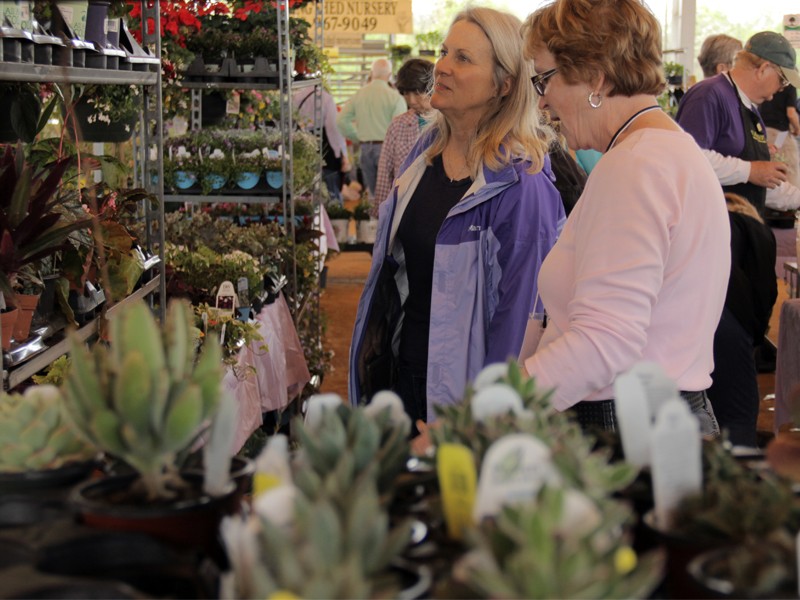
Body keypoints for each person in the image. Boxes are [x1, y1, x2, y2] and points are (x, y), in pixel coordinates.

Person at [520, 0, 730, 436]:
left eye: (544, 80)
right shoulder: (668, 149)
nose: (541, 102)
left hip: (623, 433)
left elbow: (605, 340)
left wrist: (495, 410)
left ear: (594, 76)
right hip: (657, 421)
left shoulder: (634, 165)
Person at [349, 7, 565, 428]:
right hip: (403, 376)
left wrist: (477, 421)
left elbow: (520, 323)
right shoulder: (423, 154)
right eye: (445, 52)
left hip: (464, 405)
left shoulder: (522, 185)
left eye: (463, 58)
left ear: (503, 84)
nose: (441, 67)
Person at [676, 31, 800, 217]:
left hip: (742, 226)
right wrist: (750, 170)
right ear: (763, 69)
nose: (782, 88)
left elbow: (760, 182)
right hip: (710, 226)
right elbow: (690, 159)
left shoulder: (749, 108)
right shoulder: (708, 95)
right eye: (782, 80)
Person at [709, 193, 777, 447]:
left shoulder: (706, 221)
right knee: (738, 414)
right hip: (728, 323)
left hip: (689, 318)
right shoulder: (757, 230)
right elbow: (764, 292)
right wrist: (757, 339)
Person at [337, 58, 407, 200]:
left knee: (373, 194)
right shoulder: (395, 98)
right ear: (389, 75)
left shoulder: (359, 94)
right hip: (386, 149)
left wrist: (358, 137)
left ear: (372, 73)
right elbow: (400, 128)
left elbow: (341, 120)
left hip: (365, 148)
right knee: (389, 194)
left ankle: (375, 220)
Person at [373, 58, 435, 214]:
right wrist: (380, 212)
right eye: (406, 94)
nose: (412, 100)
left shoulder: (449, 123)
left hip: (436, 206)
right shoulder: (398, 124)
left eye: (417, 93)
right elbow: (384, 171)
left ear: (432, 87)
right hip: (402, 207)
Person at [293, 86, 350, 205]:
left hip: (303, 143)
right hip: (326, 147)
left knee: (307, 188)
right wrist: (342, 153)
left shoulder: (296, 97)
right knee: (331, 187)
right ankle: (334, 218)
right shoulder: (326, 98)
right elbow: (333, 128)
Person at [760, 85, 800, 189]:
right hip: (781, 134)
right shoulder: (790, 86)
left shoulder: (764, 84)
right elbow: (791, 113)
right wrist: (797, 128)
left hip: (762, 132)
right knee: (789, 172)